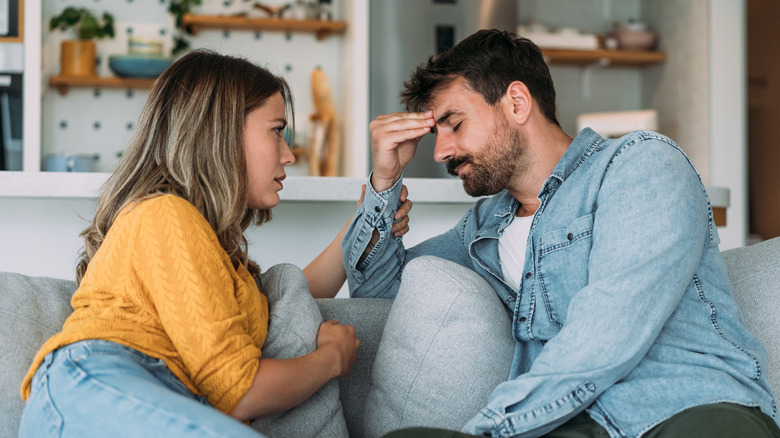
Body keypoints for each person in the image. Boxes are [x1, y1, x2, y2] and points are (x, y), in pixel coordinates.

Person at [342, 29, 780, 438]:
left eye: (454, 124)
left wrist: (490, 428)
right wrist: (384, 181)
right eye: (436, 133)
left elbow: (607, 330)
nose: (441, 152)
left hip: (688, 408)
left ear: (517, 103)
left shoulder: (639, 164)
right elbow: (379, 291)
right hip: (573, 422)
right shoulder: (484, 228)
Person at [18, 49, 412, 438]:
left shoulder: (215, 258)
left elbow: (291, 294)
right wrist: (331, 359)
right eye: (277, 131)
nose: (289, 155)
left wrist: (373, 213)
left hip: (140, 393)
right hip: (98, 386)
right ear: (220, 131)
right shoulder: (163, 214)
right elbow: (239, 392)